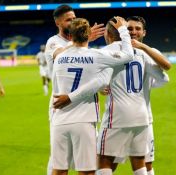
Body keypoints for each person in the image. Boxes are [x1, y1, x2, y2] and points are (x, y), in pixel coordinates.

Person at [51, 17, 133, 175]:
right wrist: (123, 31)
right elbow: (128, 56)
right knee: (87, 171)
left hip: (60, 120)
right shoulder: (96, 55)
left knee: (59, 170)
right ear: (88, 33)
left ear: (70, 35)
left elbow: (56, 88)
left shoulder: (60, 58)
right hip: (84, 120)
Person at [44, 4, 105, 175]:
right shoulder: (54, 42)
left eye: (74, 18)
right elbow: (57, 55)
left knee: (89, 161)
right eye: (68, 20)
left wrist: (100, 87)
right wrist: (80, 39)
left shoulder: (82, 46)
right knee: (59, 162)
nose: (73, 21)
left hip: (84, 109)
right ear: (58, 23)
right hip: (62, 107)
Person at [111, 16, 171, 175]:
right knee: (110, 164)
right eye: (130, 28)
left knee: (146, 164)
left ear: (144, 32)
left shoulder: (149, 52)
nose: (134, 32)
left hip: (144, 118)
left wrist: (142, 47)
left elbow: (167, 66)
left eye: (138, 29)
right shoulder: (115, 50)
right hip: (119, 119)